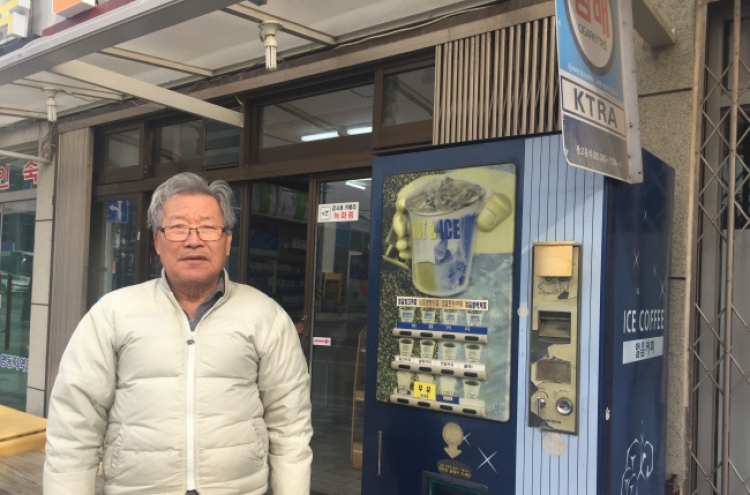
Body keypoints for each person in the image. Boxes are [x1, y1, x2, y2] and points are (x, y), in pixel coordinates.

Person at [43, 172, 313, 495]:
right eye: (178, 227)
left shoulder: (266, 318)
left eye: (208, 227)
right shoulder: (112, 315)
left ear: (227, 241)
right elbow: (73, 428)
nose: (194, 240)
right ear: (158, 240)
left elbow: (291, 429)